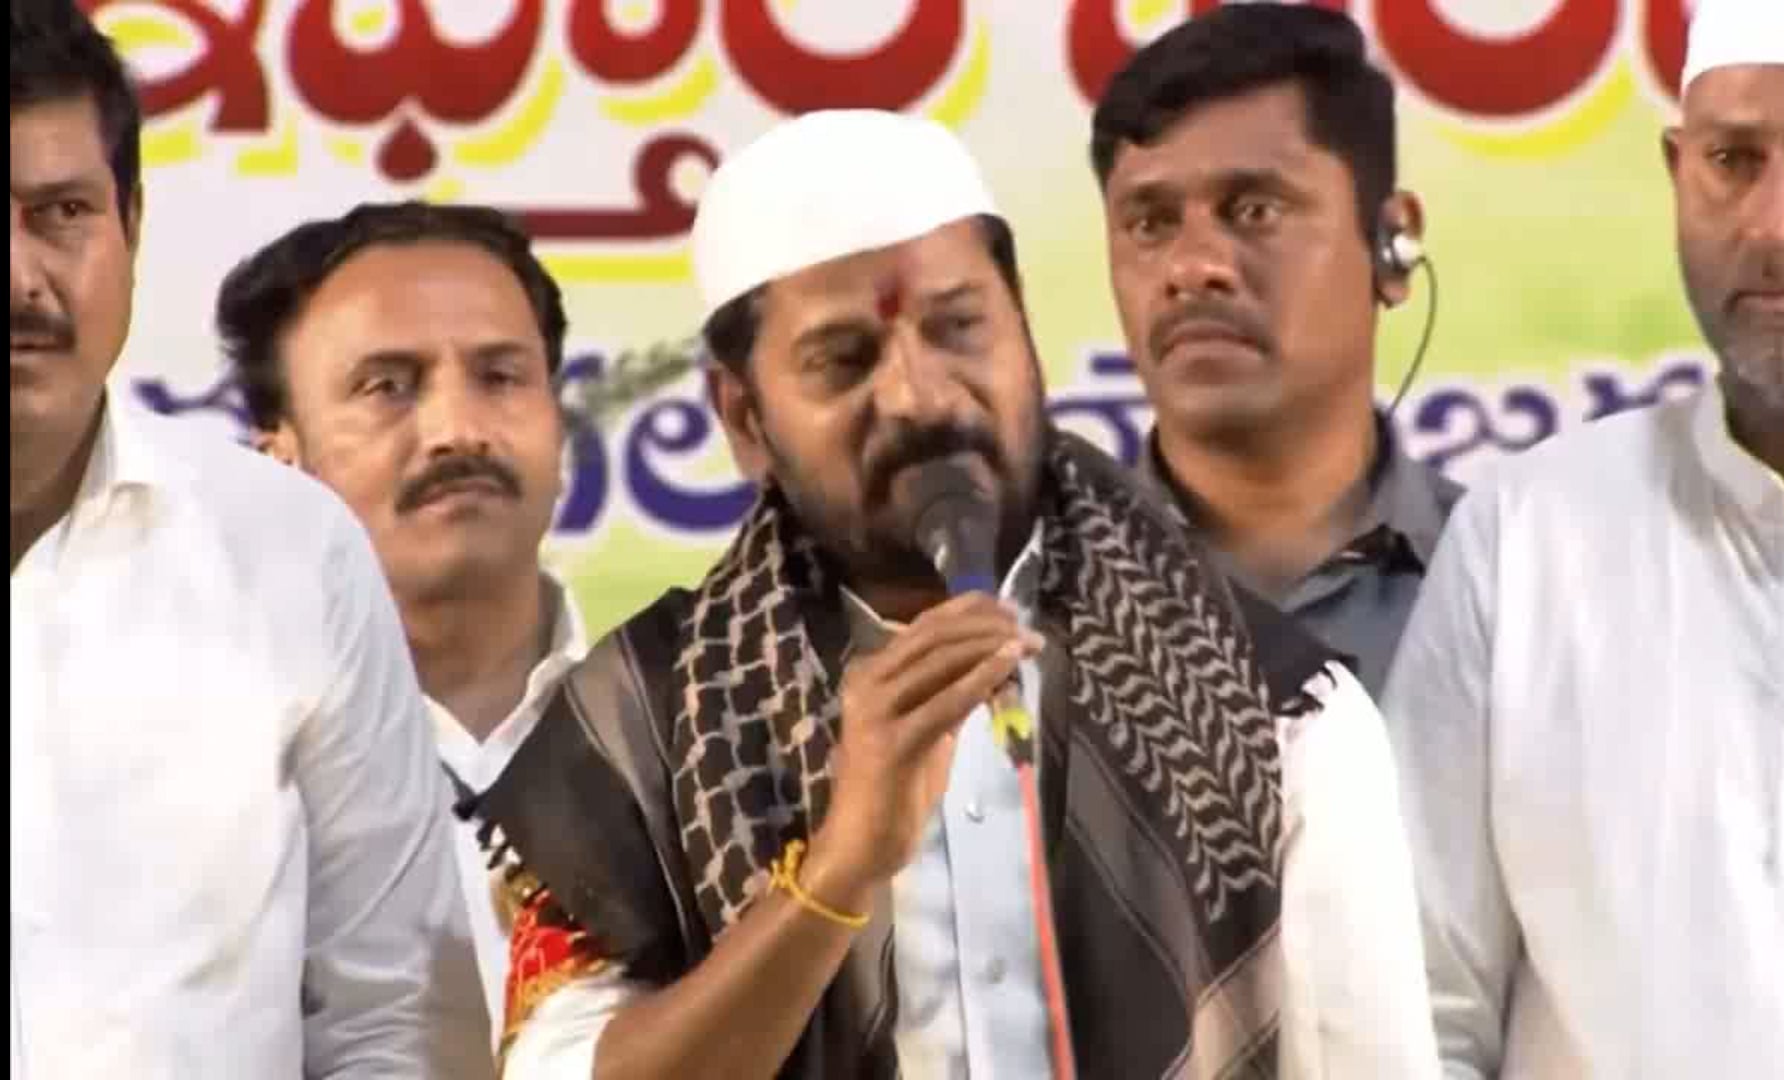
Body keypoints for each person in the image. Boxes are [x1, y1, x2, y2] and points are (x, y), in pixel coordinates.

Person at [473, 109, 1439, 1079]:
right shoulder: (638, 728)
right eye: (843, 359)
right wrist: (837, 875)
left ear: (1025, 330)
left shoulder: (1274, 707)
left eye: (959, 328)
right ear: (745, 418)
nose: (920, 395)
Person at [1383, 1, 1784, 1076]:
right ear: (1677, 171)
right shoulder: (1527, 541)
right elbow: (1412, 1009)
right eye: (1731, 162)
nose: (1774, 223)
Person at [9, 4, 471, 1075]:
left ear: (131, 227)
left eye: (61, 212)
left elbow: (396, 1016)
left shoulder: (289, 552)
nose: (20, 279)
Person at [216, 200, 584, 1073]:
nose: (459, 430)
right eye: (388, 386)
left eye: (501, 376)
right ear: (280, 462)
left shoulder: (691, 723)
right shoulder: (202, 769)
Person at [1091, 4, 1461, 696]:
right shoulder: (1027, 605)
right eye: (1150, 223)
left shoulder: (1513, 582)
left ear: (1394, 244)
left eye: (1255, 210)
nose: (1192, 267)